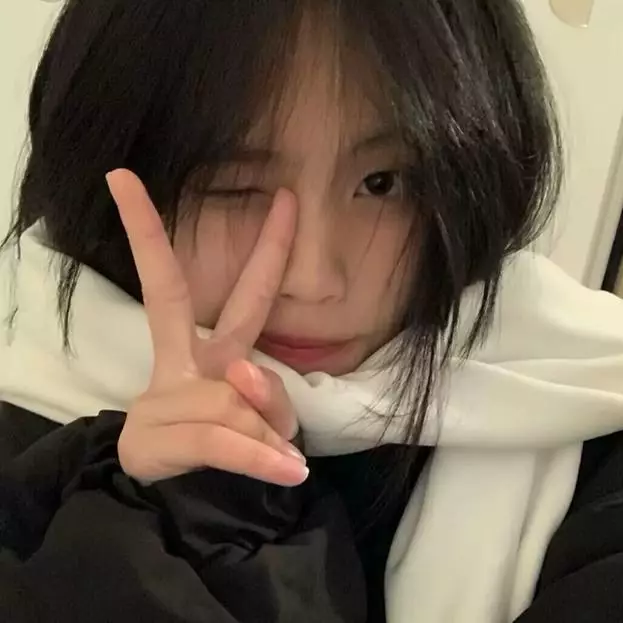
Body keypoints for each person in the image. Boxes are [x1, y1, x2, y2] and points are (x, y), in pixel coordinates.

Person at [1, 1, 622, 622]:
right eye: (234, 187)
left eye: (384, 183)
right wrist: (198, 512)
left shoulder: (584, 409)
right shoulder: (25, 410)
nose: (313, 281)